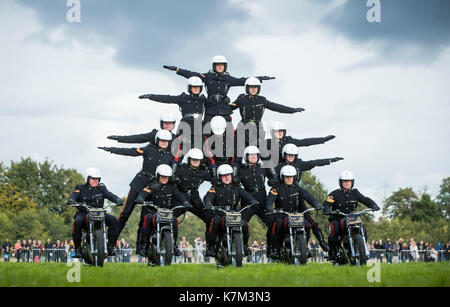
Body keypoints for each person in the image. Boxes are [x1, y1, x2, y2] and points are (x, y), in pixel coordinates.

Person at [99, 129, 175, 253]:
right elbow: (131, 151)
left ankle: (141, 247)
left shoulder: (170, 156)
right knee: (125, 213)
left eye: (166, 141)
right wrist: (112, 149)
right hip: (139, 183)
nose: (164, 142)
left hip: (153, 188)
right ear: (157, 140)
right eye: (161, 140)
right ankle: (110, 244)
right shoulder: (148, 149)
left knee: (145, 218)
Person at [163, 55, 275, 124]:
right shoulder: (207, 77)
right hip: (210, 109)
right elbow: (192, 74)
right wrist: (177, 70)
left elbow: (242, 80)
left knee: (229, 134)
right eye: (217, 65)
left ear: (225, 66)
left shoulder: (228, 79)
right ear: (214, 66)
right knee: (206, 132)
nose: (220, 67)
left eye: (222, 65)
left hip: (224, 109)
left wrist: (259, 78)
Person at [265, 165, 323, 259]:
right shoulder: (276, 188)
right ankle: (276, 249)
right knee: (278, 224)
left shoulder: (297, 188)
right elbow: (270, 199)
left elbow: (308, 196)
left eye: (291, 177)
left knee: (307, 225)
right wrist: (269, 207)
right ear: (282, 177)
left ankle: (305, 247)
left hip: (295, 216)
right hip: (282, 215)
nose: (289, 179)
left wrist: (316, 204)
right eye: (287, 177)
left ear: (294, 177)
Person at [135, 164, 191, 262]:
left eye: (166, 176)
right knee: (147, 218)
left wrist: (185, 202)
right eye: (162, 176)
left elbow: (179, 195)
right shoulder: (152, 185)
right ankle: (144, 245)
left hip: (166, 214)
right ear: (158, 175)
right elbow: (143, 193)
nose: (164, 178)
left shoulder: (172, 187)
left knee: (174, 220)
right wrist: (140, 198)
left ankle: (173, 245)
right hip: (153, 212)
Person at [231, 77, 304, 150]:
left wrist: (293, 110)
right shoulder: (242, 99)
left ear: (258, 88)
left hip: (257, 129)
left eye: (255, 87)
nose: (253, 89)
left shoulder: (262, 100)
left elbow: (276, 107)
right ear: (247, 88)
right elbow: (229, 108)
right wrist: (225, 101)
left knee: (256, 151)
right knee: (238, 151)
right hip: (243, 128)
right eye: (251, 87)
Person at [203, 164, 259, 257]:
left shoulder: (237, 188)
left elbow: (246, 195)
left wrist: (253, 201)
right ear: (219, 176)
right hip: (220, 214)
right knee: (215, 222)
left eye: (228, 175)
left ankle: (244, 246)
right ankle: (211, 247)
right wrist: (208, 203)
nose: (226, 177)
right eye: (224, 175)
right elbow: (207, 197)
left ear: (231, 175)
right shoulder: (215, 188)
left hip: (234, 215)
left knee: (245, 225)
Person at [66, 167, 123, 258]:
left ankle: (111, 246)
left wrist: (117, 199)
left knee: (113, 220)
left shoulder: (101, 188)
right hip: (84, 212)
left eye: (97, 179)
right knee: (77, 222)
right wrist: (71, 200)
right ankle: (77, 249)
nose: (96, 181)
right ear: (87, 178)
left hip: (99, 212)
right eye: (93, 178)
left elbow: (109, 195)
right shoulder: (80, 187)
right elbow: (74, 195)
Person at [323, 171, 380, 261]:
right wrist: (327, 210)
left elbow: (365, 199)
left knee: (363, 229)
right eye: (345, 181)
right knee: (334, 230)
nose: (347, 183)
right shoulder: (334, 193)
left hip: (352, 218)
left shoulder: (355, 193)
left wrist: (373, 205)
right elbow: (326, 203)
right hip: (337, 218)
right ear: (341, 182)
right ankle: (332, 252)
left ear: (352, 182)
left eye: (349, 181)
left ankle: (362, 249)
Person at [139, 77, 207, 148]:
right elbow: (168, 98)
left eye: (198, 87)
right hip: (186, 126)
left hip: (198, 125)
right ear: (189, 87)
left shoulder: (203, 99)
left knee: (202, 147)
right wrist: (151, 96)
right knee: (180, 148)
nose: (196, 89)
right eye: (194, 87)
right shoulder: (183, 98)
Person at [235, 146, 277, 226]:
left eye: (256, 155)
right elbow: (234, 182)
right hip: (247, 200)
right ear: (246, 156)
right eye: (251, 155)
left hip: (263, 199)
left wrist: (271, 182)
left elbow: (274, 178)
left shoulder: (263, 167)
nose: (254, 157)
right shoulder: (241, 169)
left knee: (272, 222)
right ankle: (242, 238)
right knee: (241, 224)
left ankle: (273, 238)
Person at [262, 121, 336, 165]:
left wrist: (323, 139)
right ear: (272, 132)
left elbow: (306, 142)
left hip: (290, 167)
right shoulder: (267, 143)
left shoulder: (289, 141)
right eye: (277, 131)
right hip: (275, 169)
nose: (279, 133)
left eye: (281, 131)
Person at [106, 113, 177, 146]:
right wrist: (120, 138)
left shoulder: (176, 139)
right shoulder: (154, 134)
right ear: (162, 124)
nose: (168, 125)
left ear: (173, 124)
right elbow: (139, 138)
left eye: (170, 123)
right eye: (166, 123)